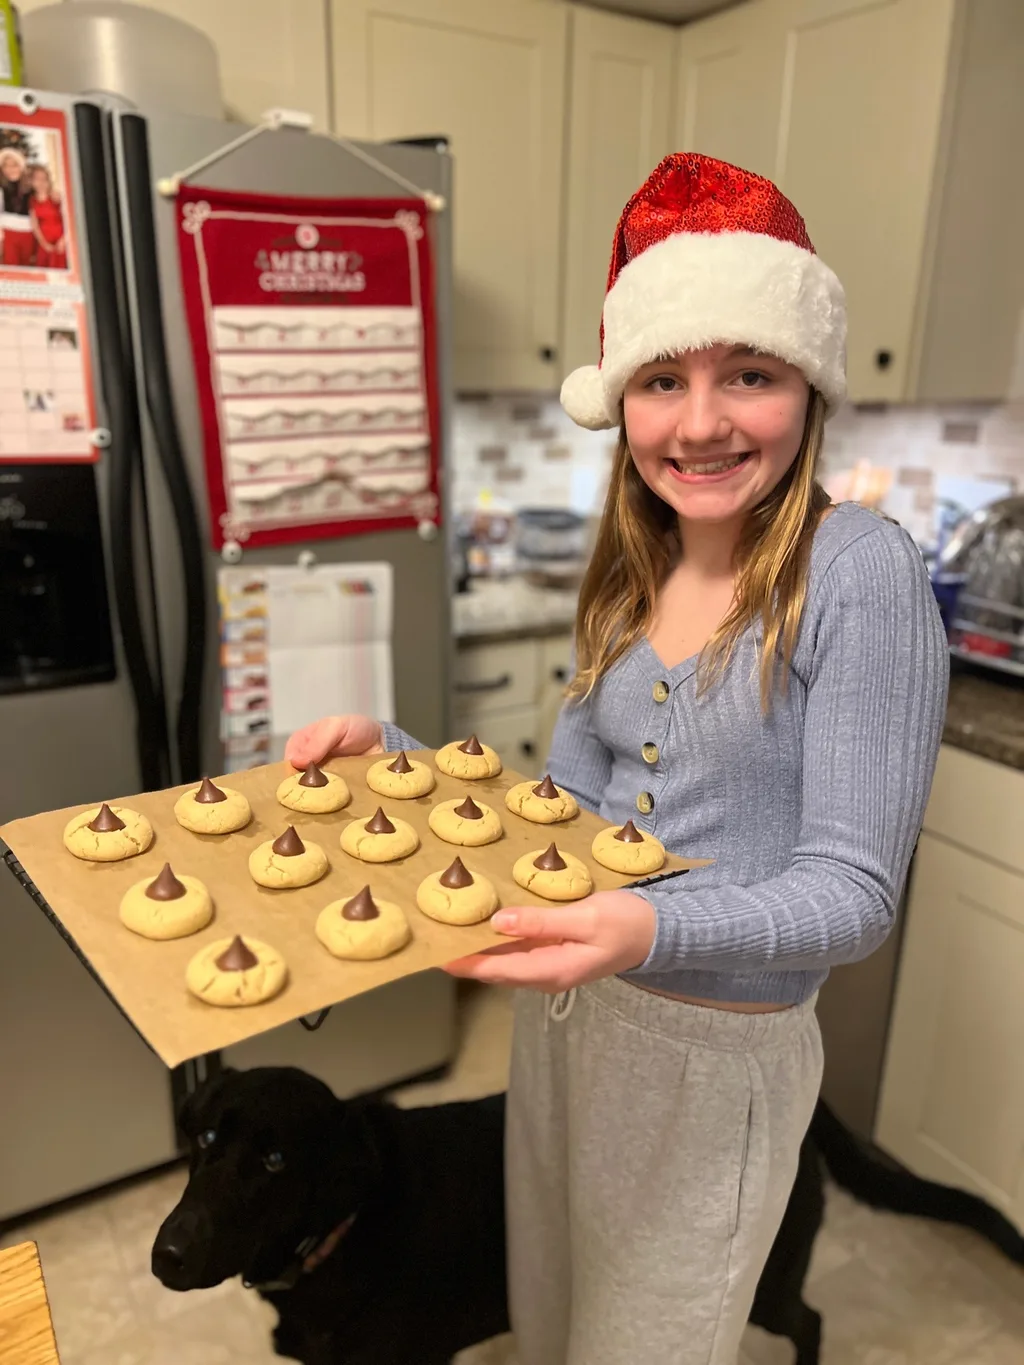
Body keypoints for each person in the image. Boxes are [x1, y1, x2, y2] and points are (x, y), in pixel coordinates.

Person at [285, 154, 949, 1365]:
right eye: (662, 379)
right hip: (569, 1027)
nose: (699, 422)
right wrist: (398, 764)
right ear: (620, 399)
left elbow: (852, 893)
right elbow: (560, 821)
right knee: (554, 1312)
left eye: (748, 372)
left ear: (807, 384)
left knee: (646, 1341)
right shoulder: (629, 576)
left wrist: (644, 928)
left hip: (711, 1063)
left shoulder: (860, 573)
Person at [0, 145, 35, 267]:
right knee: (10, 265)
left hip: (28, 231)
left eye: (14, 165)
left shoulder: (31, 186)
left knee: (27, 265)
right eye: (6, 166)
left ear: (21, 166)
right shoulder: (2, 187)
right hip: (8, 231)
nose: (10, 169)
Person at [28, 163, 66, 269]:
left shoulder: (56, 197)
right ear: (32, 181)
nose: (41, 182)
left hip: (61, 240)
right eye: (37, 179)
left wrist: (64, 240)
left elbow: (69, 220)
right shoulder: (32, 200)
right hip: (45, 241)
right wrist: (44, 244)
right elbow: (35, 225)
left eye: (44, 179)